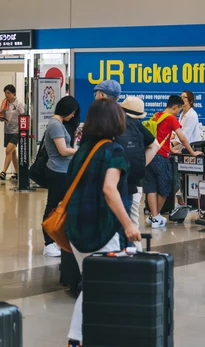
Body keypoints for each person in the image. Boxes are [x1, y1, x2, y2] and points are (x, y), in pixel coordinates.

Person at [64, 99, 141, 347]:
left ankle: (83, 338)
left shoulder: (83, 150)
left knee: (93, 284)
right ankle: (77, 339)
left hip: (76, 229)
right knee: (99, 287)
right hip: (102, 229)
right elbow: (110, 190)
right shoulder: (113, 150)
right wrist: (128, 224)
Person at [145, 95, 200, 229]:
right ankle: (156, 216)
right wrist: (193, 152)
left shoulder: (156, 115)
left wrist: (171, 149)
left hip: (149, 156)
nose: (178, 113)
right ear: (174, 107)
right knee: (166, 187)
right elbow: (182, 137)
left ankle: (153, 216)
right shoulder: (171, 118)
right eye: (179, 110)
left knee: (151, 187)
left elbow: (159, 136)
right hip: (161, 157)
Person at [42, 96, 79, 257]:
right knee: (53, 207)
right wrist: (81, 152)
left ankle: (56, 239)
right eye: (72, 113)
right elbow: (63, 151)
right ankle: (48, 242)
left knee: (60, 206)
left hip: (63, 170)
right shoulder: (55, 125)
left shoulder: (59, 124)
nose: (72, 116)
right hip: (58, 171)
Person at [119, 95, 161, 231]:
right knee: (133, 220)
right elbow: (155, 146)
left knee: (124, 222)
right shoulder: (139, 127)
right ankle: (135, 249)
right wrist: (141, 164)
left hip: (121, 180)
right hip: (137, 180)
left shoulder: (124, 125)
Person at [0, 84, 25, 181]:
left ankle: (3, 172)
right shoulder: (5, 103)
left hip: (16, 131)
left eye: (8, 93)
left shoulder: (19, 104)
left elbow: (23, 116)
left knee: (8, 150)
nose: (6, 95)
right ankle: (18, 173)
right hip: (7, 130)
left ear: (14, 93)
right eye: (5, 93)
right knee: (13, 153)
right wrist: (1, 118)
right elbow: (2, 115)